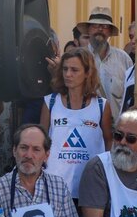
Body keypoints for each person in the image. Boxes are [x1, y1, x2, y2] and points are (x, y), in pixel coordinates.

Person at [40, 48, 112, 199]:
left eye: (74, 70)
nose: (68, 74)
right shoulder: (50, 102)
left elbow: (109, 141)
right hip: (56, 184)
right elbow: (41, 140)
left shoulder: (101, 105)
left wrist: (107, 173)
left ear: (87, 73)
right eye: (65, 69)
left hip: (90, 182)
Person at [78, 8, 131, 124]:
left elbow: (131, 94)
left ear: (110, 31)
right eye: (95, 25)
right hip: (85, 125)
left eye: (105, 26)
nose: (100, 29)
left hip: (116, 127)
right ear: (88, 30)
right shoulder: (79, 57)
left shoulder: (123, 59)